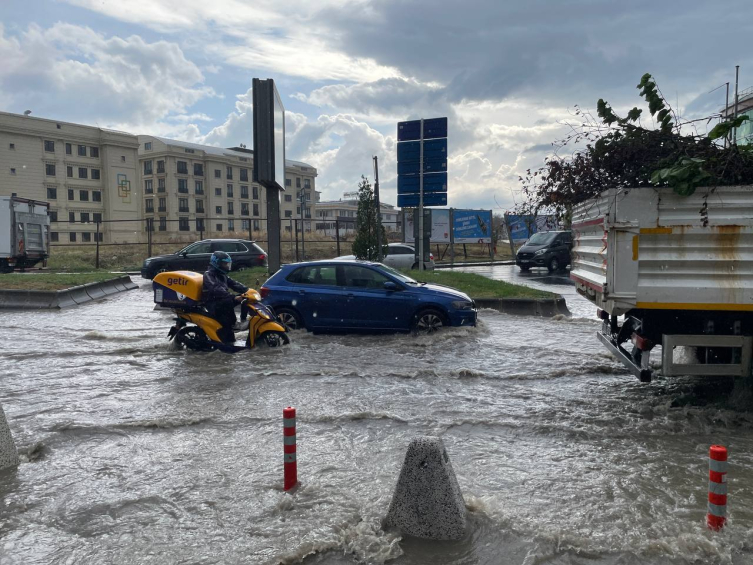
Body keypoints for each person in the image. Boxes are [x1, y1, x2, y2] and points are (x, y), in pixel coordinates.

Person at [202, 251, 249, 343]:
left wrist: (247, 290)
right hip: (213, 303)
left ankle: (243, 320)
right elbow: (215, 289)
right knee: (229, 302)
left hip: (223, 300)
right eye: (224, 264)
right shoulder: (208, 274)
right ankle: (233, 324)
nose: (227, 266)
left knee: (245, 298)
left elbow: (234, 284)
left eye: (227, 264)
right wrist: (233, 297)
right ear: (217, 263)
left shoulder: (222, 275)